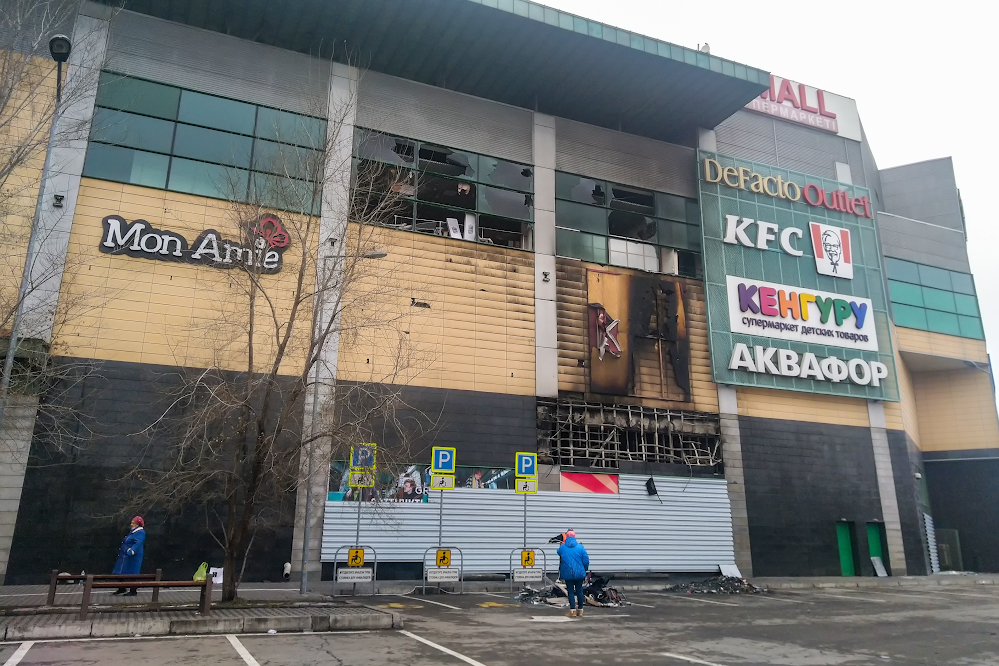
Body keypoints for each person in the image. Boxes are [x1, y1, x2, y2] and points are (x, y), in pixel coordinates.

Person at [557, 529, 589, 618]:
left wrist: (562, 543)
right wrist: (584, 569)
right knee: (579, 590)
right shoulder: (580, 547)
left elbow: (558, 552)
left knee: (570, 591)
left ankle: (572, 610)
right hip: (579, 572)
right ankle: (580, 610)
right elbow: (586, 560)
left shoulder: (562, 547)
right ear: (575, 536)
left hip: (568, 573)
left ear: (566, 536)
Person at [112, 516, 146, 596]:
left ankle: (133, 590)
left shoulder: (140, 532)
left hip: (133, 557)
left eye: (133, 523)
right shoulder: (133, 532)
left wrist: (132, 550)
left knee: (133, 572)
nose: (131, 524)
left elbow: (138, 542)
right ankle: (122, 588)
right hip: (125, 556)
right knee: (122, 571)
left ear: (137, 524)